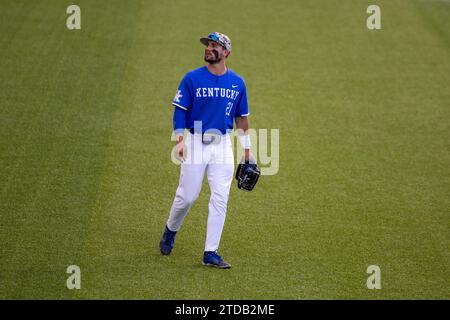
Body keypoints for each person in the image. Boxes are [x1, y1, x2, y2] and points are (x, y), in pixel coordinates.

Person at [159, 32, 253, 269]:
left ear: (226, 53)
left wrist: (247, 151)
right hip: (195, 141)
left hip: (222, 145)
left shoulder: (237, 83)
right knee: (188, 196)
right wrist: (179, 139)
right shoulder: (192, 79)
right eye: (208, 45)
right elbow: (180, 110)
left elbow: (242, 118)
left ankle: (211, 252)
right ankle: (171, 229)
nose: (209, 48)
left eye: (215, 46)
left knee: (220, 198)